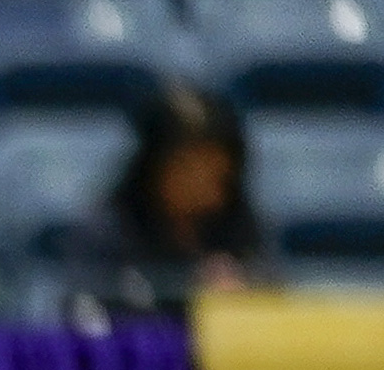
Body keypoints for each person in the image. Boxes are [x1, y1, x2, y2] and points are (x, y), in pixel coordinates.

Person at [56, 82, 273, 319]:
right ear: (154, 167)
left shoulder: (239, 224)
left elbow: (276, 301)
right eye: (188, 169)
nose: (204, 186)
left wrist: (245, 294)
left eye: (217, 174)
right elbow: (85, 318)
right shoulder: (106, 233)